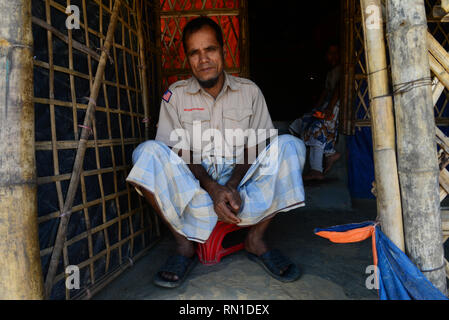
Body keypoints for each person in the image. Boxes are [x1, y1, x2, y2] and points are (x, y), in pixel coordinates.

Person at [126, 17, 307, 288]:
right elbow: (178, 150)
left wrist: (231, 185)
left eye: (209, 49)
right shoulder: (174, 97)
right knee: (145, 153)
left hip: (241, 184)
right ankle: (184, 245)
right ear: (188, 59)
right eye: (194, 53)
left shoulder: (250, 92)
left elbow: (256, 145)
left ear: (223, 50)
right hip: (196, 186)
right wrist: (211, 188)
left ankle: (255, 239)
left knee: (292, 146)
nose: (203, 59)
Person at [289, 43, 342, 181]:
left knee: (317, 129)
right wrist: (316, 108)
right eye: (330, 53)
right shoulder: (331, 72)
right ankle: (327, 153)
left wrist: (329, 108)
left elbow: (338, 89)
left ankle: (316, 170)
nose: (333, 57)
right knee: (304, 121)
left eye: (336, 53)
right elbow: (325, 91)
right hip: (328, 105)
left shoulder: (343, 70)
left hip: (335, 106)